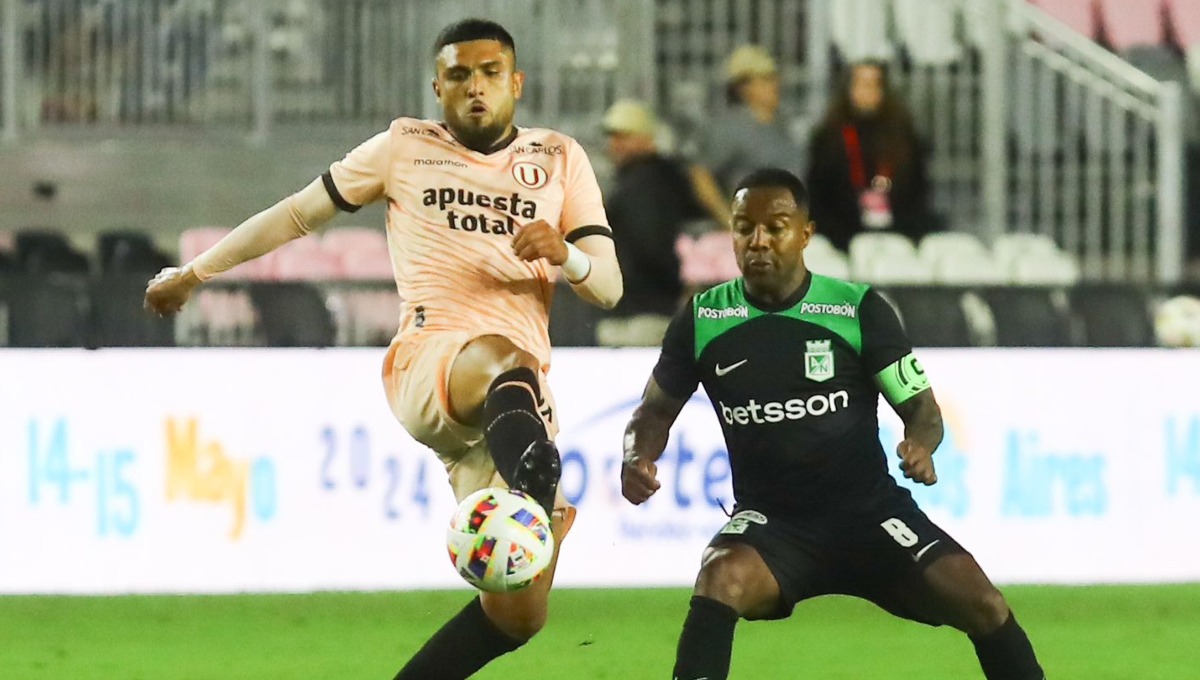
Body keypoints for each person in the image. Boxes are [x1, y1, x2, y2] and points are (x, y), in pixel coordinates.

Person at [144, 19, 622, 680]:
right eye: (458, 75)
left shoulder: (561, 158)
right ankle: (536, 492)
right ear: (437, 87)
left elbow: (610, 287)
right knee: (501, 360)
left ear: (516, 84)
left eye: (489, 74)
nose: (474, 88)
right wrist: (193, 273)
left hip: (516, 407)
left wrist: (566, 253)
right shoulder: (405, 147)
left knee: (518, 617)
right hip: (433, 360)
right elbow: (294, 213)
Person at [620, 168, 1045, 680]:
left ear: (805, 234)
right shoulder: (704, 318)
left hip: (872, 516)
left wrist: (920, 443)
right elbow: (653, 412)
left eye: (775, 228)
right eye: (742, 227)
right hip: (774, 525)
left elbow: (923, 411)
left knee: (983, 601)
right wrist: (636, 454)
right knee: (720, 577)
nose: (757, 241)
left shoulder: (856, 309)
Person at [598, 99, 710, 346]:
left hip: (644, 314)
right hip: (643, 309)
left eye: (624, 136)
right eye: (613, 137)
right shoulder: (651, 180)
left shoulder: (644, 184)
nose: (615, 145)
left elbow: (652, 245)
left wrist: (673, 285)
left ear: (647, 139)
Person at [806, 60, 936, 252]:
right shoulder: (829, 137)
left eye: (874, 84)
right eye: (861, 84)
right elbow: (820, 190)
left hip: (899, 231)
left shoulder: (903, 136)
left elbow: (917, 189)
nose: (868, 91)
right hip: (842, 232)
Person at [690, 45, 807, 226]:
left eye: (774, 77)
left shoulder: (786, 124)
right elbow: (701, 175)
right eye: (765, 79)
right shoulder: (729, 128)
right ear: (743, 87)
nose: (775, 84)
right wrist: (729, 220)